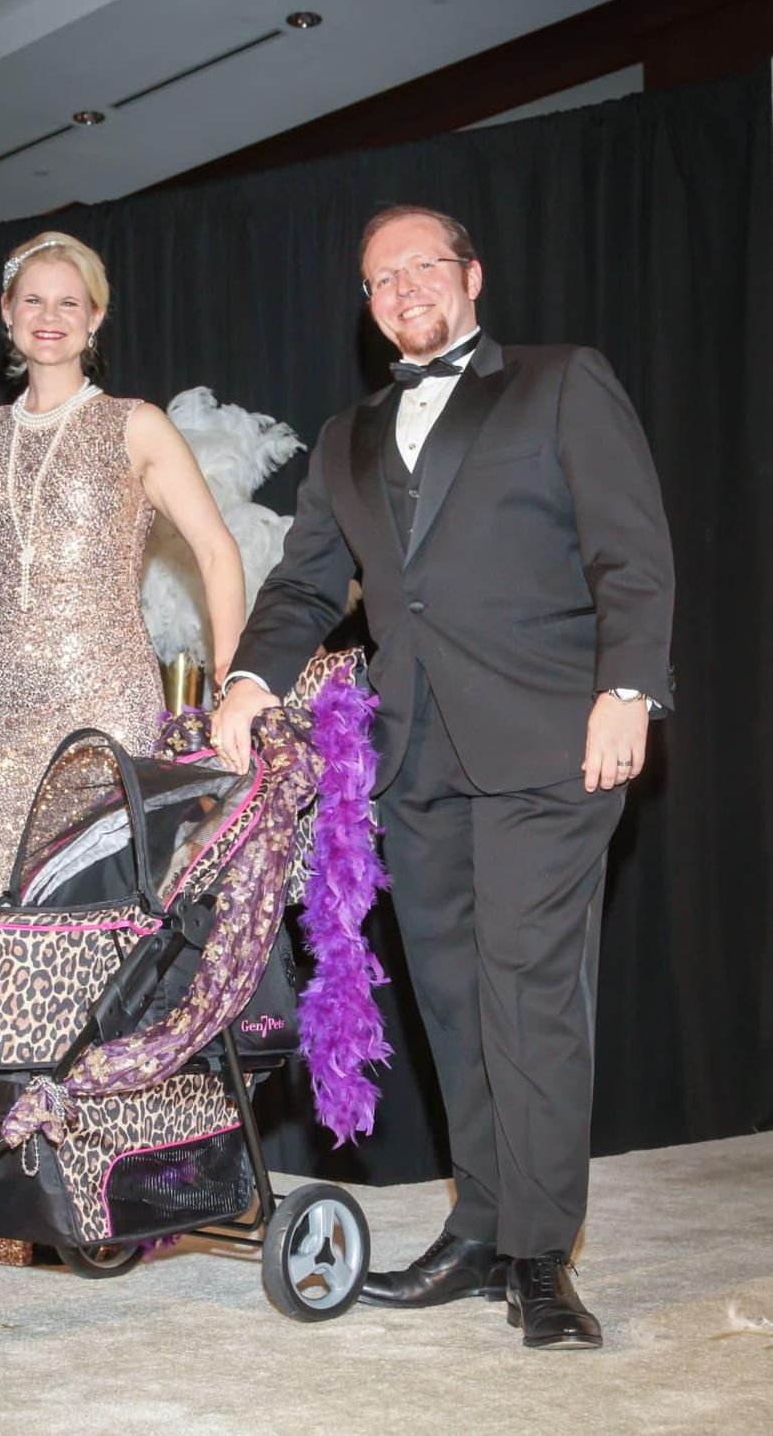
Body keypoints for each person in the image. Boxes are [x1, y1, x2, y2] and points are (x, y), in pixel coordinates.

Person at [211, 205, 674, 1350]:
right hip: (410, 759)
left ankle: (539, 1256)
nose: (405, 286)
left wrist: (630, 689)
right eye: (381, 277)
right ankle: (478, 1228)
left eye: (425, 265)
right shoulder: (343, 439)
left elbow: (630, 548)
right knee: (455, 1006)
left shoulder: (562, 382)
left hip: (548, 742)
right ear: (367, 308)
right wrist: (247, 681)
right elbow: (308, 586)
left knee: (527, 994)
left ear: (471, 274)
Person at [0, 230, 245, 902]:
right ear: (7, 311)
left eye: (68, 303)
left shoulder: (133, 424)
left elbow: (215, 549)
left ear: (94, 318)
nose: (49, 317)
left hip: (101, 699)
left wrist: (232, 677)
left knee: (92, 906)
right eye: (33, 300)